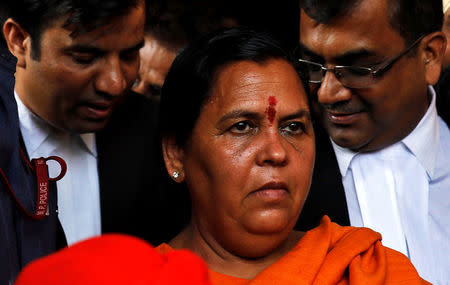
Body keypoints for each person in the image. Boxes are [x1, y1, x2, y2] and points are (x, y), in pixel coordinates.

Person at [154, 28, 429, 284]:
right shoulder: (138, 275)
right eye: (242, 127)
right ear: (176, 154)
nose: (276, 152)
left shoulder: (367, 270)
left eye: (293, 127)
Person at [3, 0, 173, 256]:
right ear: (19, 41)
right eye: (85, 58)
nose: (114, 84)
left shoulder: (161, 136)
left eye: (129, 55)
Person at [296, 0, 449, 283]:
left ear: (430, 55)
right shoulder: (281, 179)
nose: (326, 94)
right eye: (314, 66)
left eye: (359, 69)